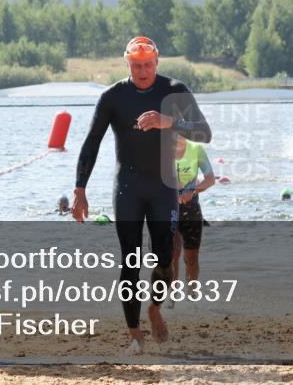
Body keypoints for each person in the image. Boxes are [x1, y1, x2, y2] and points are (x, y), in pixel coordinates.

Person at [71, 36, 211, 354]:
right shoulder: (113, 96)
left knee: (164, 258)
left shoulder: (174, 90)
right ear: (128, 64)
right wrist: (80, 189)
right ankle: (135, 334)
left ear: (157, 62)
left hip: (164, 187)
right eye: (136, 65)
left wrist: (168, 121)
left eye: (148, 64)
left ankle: (154, 308)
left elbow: (205, 131)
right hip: (128, 188)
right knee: (131, 261)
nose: (143, 71)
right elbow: (91, 142)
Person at [171, 135, 217, 290]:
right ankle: (172, 295)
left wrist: (192, 189)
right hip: (167, 209)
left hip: (191, 209)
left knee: (191, 258)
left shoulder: (197, 150)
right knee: (172, 254)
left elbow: (210, 179)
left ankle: (192, 293)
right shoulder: (160, 150)